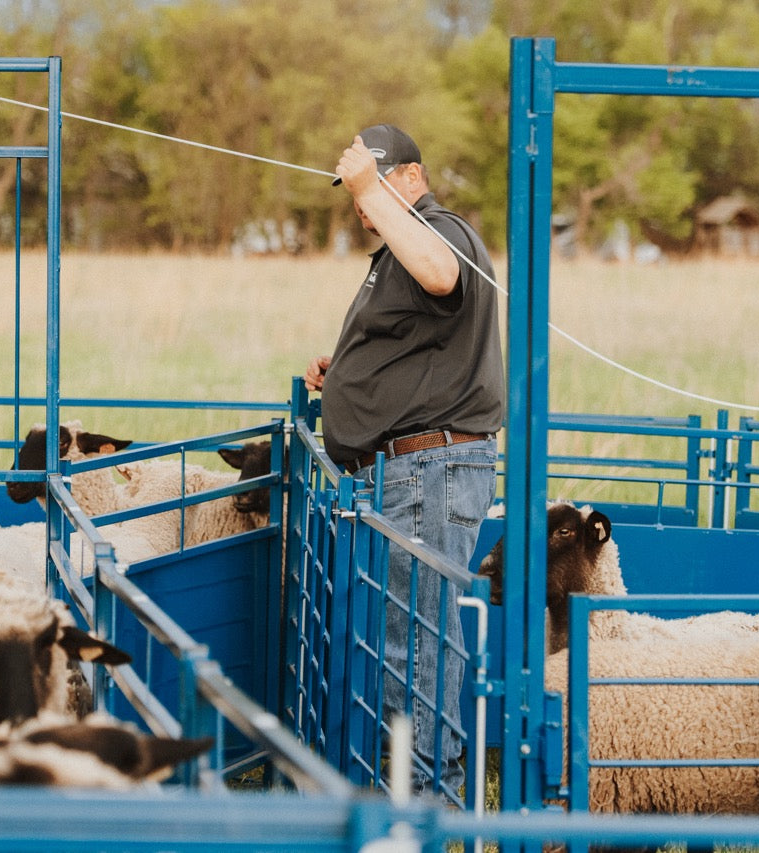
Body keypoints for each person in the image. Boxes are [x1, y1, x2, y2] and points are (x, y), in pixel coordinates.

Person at [305, 124, 505, 796]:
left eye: (373, 184)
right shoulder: (400, 245)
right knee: (408, 632)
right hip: (416, 468)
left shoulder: (440, 231)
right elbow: (418, 344)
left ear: (412, 178)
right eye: (356, 193)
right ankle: (421, 782)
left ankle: (422, 791)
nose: (362, 205)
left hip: (428, 469)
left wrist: (374, 191)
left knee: (415, 638)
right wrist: (348, 377)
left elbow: (442, 274)